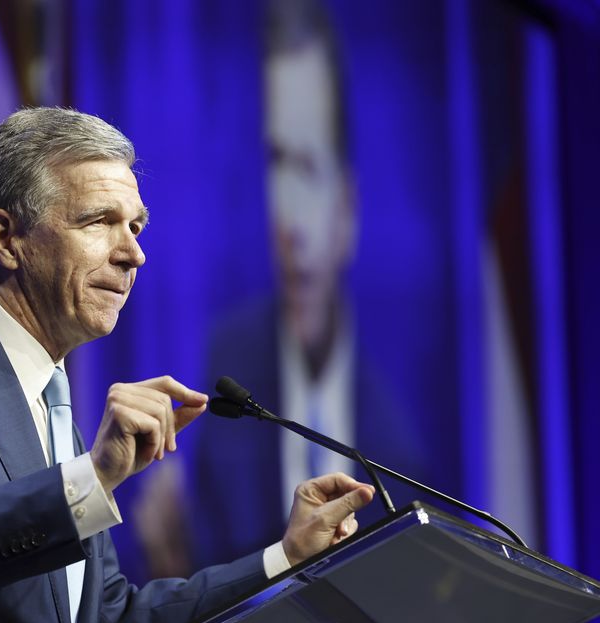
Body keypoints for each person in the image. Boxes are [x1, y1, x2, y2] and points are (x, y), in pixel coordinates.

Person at [0, 106, 375, 623]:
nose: (133, 254)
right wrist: (91, 480)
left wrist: (287, 558)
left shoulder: (50, 404)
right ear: (6, 239)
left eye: (137, 227)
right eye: (101, 221)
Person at [136, 0, 422, 578]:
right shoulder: (228, 368)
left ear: (348, 204)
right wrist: (174, 565)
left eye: (308, 169)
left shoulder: (407, 407)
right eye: (275, 167)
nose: (289, 219)